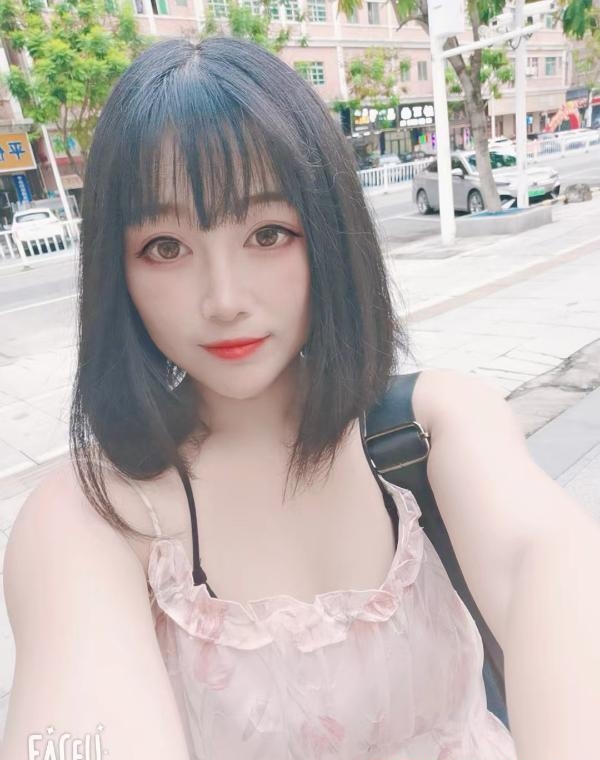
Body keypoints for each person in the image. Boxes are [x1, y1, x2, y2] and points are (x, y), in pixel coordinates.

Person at [2, 36, 600, 760]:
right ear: (115, 272)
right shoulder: (93, 518)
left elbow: (549, 564)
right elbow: (74, 730)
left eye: (268, 233)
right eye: (165, 247)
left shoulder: (432, 428)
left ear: (328, 235)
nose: (224, 299)